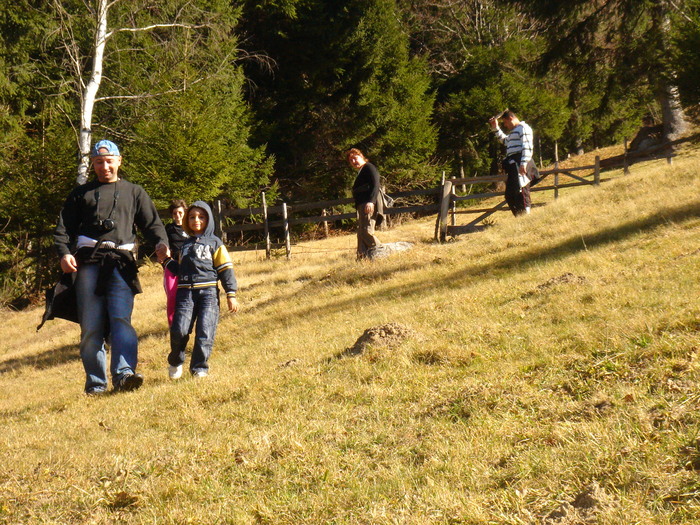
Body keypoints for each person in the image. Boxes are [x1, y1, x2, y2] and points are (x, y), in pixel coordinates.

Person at [54, 139, 169, 395]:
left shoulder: (135, 192)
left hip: (121, 264)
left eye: (109, 161)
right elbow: (63, 230)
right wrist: (63, 253)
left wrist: (162, 244)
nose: (104, 166)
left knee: (121, 320)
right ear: (93, 164)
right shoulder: (79, 194)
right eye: (98, 162)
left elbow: (153, 225)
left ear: (119, 160)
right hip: (89, 265)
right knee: (91, 325)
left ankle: (124, 375)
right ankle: (96, 384)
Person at [161, 201, 239, 379]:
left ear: (208, 219)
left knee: (205, 332)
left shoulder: (215, 243)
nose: (197, 220)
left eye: (201, 217)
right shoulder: (185, 245)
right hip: (185, 294)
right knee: (179, 330)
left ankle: (199, 368)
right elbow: (179, 270)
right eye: (192, 217)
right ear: (187, 220)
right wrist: (165, 260)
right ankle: (175, 360)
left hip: (209, 294)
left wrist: (231, 294)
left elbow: (226, 269)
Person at [489, 110, 538, 216]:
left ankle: (526, 216)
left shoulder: (523, 128)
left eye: (505, 123)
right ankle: (519, 217)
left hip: (520, 162)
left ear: (510, 118)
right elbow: (505, 141)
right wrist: (495, 127)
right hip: (513, 165)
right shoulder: (514, 132)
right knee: (510, 195)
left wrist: (523, 163)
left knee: (521, 190)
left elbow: (527, 147)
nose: (505, 126)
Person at [347, 148, 382, 259]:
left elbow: (375, 184)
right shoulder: (361, 171)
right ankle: (362, 258)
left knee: (366, 231)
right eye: (351, 160)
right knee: (361, 233)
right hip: (362, 205)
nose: (353, 161)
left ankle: (380, 252)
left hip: (368, 204)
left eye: (355, 158)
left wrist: (371, 202)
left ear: (361, 156)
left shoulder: (369, 167)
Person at [164, 199, 189, 326]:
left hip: (190, 266)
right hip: (173, 266)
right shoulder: (169, 229)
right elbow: (164, 247)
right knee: (172, 296)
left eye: (180, 212)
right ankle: (173, 325)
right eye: (175, 213)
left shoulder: (191, 227)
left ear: (185, 212)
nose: (177, 216)